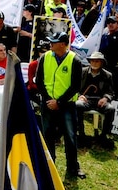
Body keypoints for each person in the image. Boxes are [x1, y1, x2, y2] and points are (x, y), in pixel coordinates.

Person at [36, 31, 85, 178]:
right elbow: (39, 81)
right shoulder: (45, 58)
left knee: (70, 137)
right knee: (48, 136)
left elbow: (76, 86)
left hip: (67, 105)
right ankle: (49, 165)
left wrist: (59, 102)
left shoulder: (75, 60)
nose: (51, 44)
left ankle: (73, 167)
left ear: (63, 44)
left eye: (54, 41)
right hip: (47, 103)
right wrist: (48, 100)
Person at [76, 51, 116, 149]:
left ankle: (104, 136)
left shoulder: (108, 75)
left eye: (97, 61)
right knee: (77, 105)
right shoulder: (82, 72)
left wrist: (105, 98)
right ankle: (80, 134)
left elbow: (111, 92)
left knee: (111, 109)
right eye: (92, 61)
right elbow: (74, 88)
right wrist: (79, 96)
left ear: (101, 63)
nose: (94, 63)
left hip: (100, 101)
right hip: (85, 100)